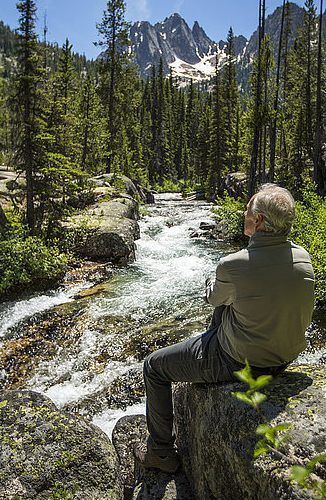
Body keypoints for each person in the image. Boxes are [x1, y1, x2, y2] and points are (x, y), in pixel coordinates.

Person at [134, 183, 314, 473]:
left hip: (241, 361)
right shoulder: (303, 257)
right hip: (284, 358)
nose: (244, 213)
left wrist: (211, 280)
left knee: (154, 366)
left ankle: (161, 453)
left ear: (258, 221)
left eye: (248, 210)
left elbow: (213, 298)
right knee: (234, 304)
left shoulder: (234, 265)